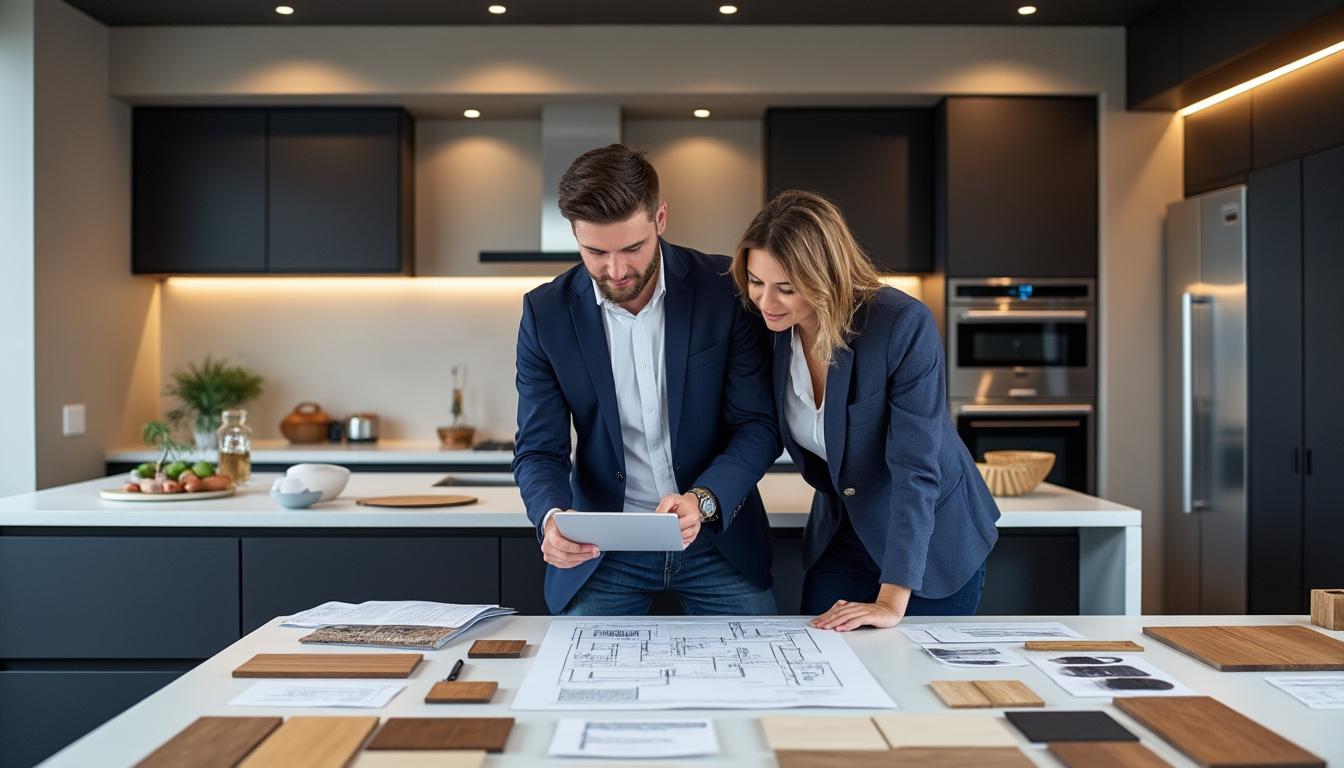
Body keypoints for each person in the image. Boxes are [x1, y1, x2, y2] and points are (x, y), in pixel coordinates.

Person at [513, 143, 782, 616]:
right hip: (601, 550)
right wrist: (551, 518)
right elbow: (538, 449)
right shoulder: (545, 314)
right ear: (574, 233)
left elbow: (757, 425)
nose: (616, 271)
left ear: (660, 218)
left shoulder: (726, 289)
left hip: (716, 538)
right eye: (595, 251)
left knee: (758, 661)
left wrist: (703, 501)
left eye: (632, 248)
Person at [730, 189, 1000, 630]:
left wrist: (891, 601)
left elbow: (915, 466)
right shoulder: (768, 328)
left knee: (908, 668)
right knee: (820, 653)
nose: (765, 302)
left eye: (787, 288)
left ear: (826, 277)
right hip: (845, 533)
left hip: (927, 540)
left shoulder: (899, 325)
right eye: (756, 282)